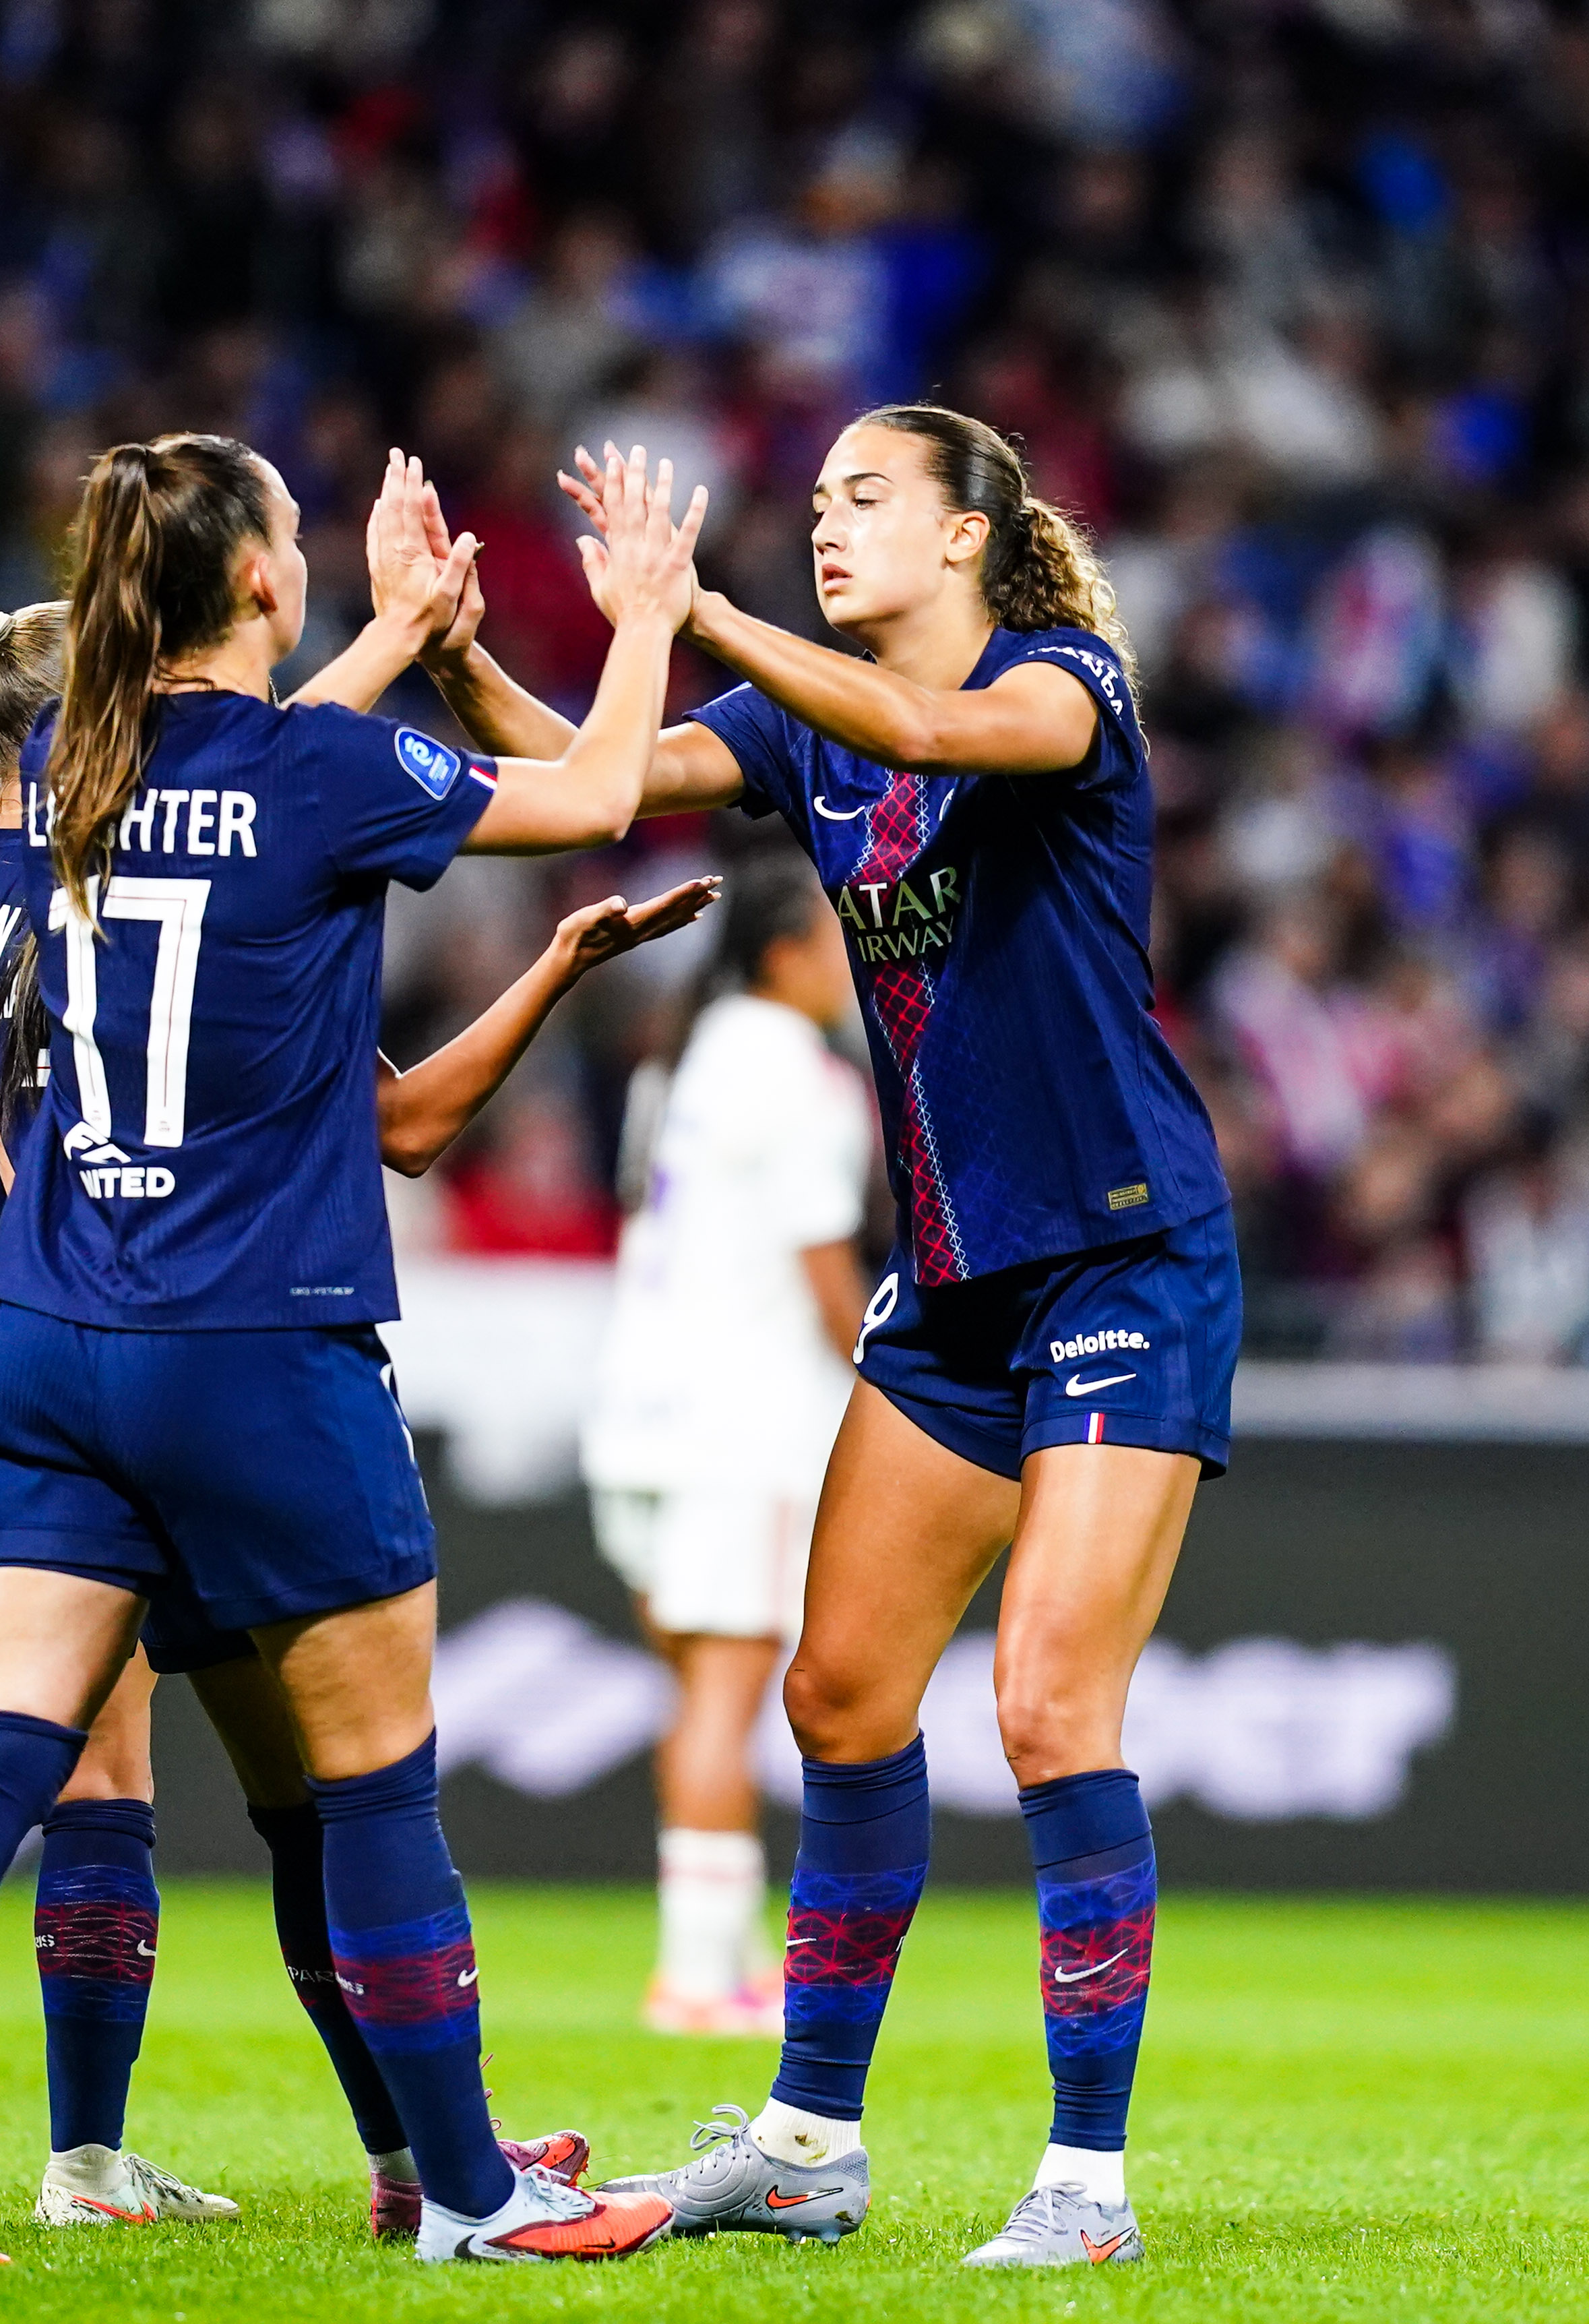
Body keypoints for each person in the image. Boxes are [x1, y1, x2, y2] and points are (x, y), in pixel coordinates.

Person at [0, 514, 713, 2246]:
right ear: (259, 581)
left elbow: (240, 765)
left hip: (0, 1352)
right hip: (235, 1340)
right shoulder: (285, 787)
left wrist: (392, 639)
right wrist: (631, 617)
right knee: (353, 1787)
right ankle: (452, 2179)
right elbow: (535, 815)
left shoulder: (45, 821)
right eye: (292, 538)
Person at [410, 407, 1237, 2269]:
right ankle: (804, 2141)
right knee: (839, 1695)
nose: (830, 525)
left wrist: (689, 603)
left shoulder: (1062, 680)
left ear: (968, 536)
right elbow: (591, 777)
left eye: (867, 499)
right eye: (819, 503)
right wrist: (467, 651)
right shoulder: (802, 724)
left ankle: (1085, 2186)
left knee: (1041, 1704)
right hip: (950, 1292)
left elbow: (933, 735)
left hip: (1120, 1264)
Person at [579, 847, 869, 2037]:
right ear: (790, 949)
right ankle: (699, 1977)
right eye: (841, 938)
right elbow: (823, 1275)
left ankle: (722, 1951)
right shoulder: (798, 1076)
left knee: (698, 1690)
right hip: (743, 1423)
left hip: (643, 1412)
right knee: (727, 1695)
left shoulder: (682, 1059)